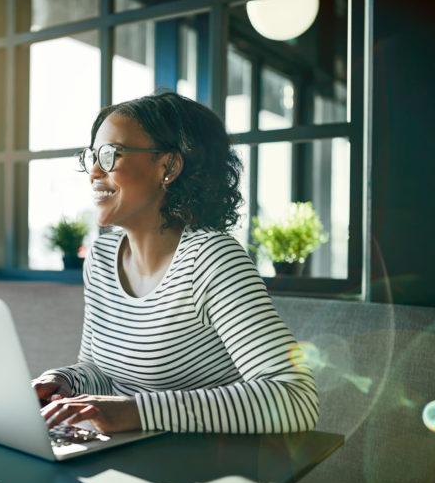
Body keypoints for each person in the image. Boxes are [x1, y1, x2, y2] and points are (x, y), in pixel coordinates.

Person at [32, 91, 319, 435]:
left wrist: (136, 412)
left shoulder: (213, 259)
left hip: (215, 472)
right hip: (130, 460)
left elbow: (295, 397)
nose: (94, 171)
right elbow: (101, 370)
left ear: (168, 167)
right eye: (92, 156)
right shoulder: (102, 258)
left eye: (110, 155)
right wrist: (63, 382)